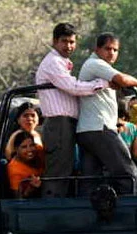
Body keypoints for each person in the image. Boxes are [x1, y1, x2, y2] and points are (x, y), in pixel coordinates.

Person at [35, 22, 109, 197]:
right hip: (59, 123)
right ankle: (52, 212)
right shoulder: (52, 62)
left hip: (67, 124)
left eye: (72, 42)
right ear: (54, 41)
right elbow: (73, 87)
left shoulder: (62, 62)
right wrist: (101, 84)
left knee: (68, 168)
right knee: (58, 171)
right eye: (64, 41)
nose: (69, 46)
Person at [76, 32, 137, 196]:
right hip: (99, 129)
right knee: (128, 174)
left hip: (87, 131)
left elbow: (118, 82)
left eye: (115, 50)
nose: (112, 53)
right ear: (97, 49)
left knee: (91, 179)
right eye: (108, 49)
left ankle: (88, 216)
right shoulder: (95, 64)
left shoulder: (100, 68)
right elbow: (123, 80)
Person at [6, 131, 45, 198]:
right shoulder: (14, 170)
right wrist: (31, 188)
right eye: (24, 147)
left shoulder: (39, 151)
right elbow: (19, 198)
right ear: (16, 149)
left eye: (32, 145)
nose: (29, 150)